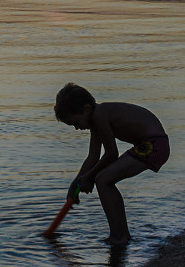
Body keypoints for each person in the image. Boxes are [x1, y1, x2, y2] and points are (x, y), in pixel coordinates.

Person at [54, 83, 169, 245]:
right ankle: (123, 235)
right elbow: (92, 157)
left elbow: (111, 154)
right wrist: (76, 184)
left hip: (154, 145)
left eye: (76, 122)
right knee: (103, 179)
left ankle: (119, 236)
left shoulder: (100, 115)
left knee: (103, 179)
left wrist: (89, 177)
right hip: (151, 144)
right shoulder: (96, 118)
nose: (77, 128)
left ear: (86, 109)